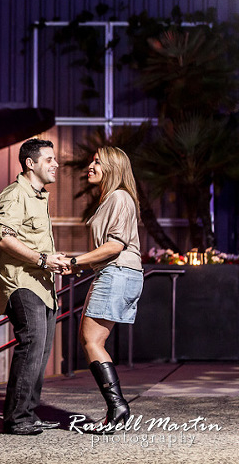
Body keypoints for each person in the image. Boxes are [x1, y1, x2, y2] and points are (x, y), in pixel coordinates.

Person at [0, 138, 69, 435]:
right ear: (30, 163)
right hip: (22, 285)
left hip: (42, 286)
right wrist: (43, 259)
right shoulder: (14, 195)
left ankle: (29, 413)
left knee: (40, 351)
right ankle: (16, 418)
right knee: (31, 346)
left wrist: (52, 260)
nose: (55, 164)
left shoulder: (37, 197)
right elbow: (2, 238)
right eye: (49, 159)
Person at [68, 146, 144, 434]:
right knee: (89, 338)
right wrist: (77, 264)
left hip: (118, 273)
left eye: (98, 162)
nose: (91, 165)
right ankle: (116, 408)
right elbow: (106, 250)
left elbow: (115, 247)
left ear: (112, 167)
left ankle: (117, 408)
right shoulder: (112, 199)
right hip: (115, 272)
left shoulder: (120, 197)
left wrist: (76, 261)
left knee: (92, 340)